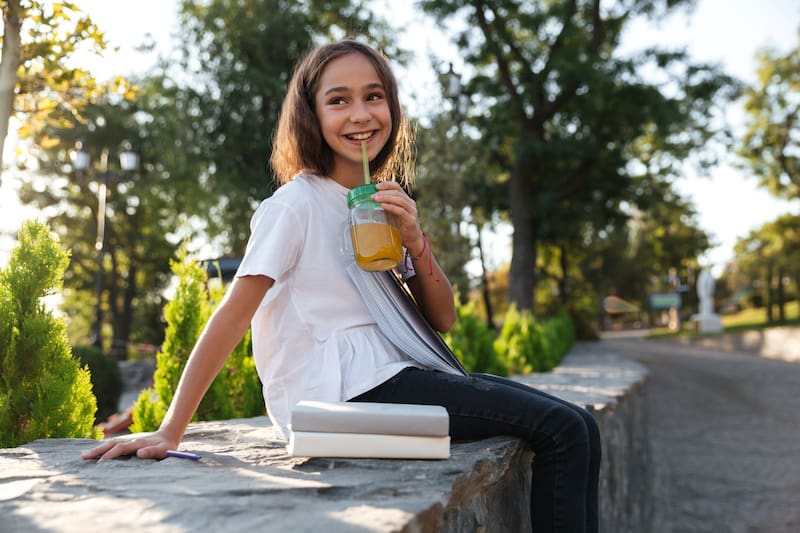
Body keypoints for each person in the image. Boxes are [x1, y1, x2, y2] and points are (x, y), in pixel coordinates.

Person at [83, 38, 601, 532]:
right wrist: (172, 428)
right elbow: (232, 315)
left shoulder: (376, 203)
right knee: (561, 431)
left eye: (374, 97)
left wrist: (416, 242)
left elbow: (441, 321)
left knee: (581, 423)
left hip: (393, 372)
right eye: (339, 100)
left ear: (392, 110)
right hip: (340, 392)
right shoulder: (294, 206)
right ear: (312, 115)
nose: (360, 114)